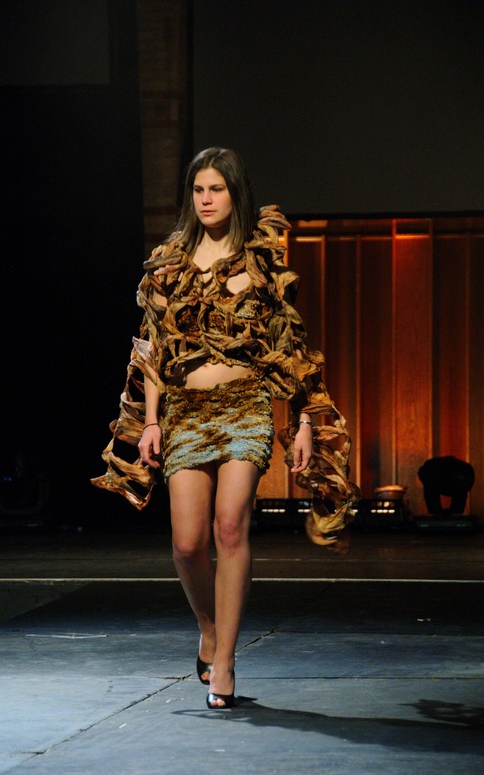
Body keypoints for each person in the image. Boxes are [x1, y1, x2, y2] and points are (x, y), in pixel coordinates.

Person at [92, 147, 358, 709]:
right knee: (187, 543)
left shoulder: (261, 260)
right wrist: (152, 420)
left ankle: (227, 661)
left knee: (230, 527)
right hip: (185, 411)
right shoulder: (170, 261)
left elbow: (292, 346)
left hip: (246, 407)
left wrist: (303, 420)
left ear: (236, 194)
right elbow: (154, 348)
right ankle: (209, 629)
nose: (206, 199)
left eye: (216, 189)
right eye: (198, 190)